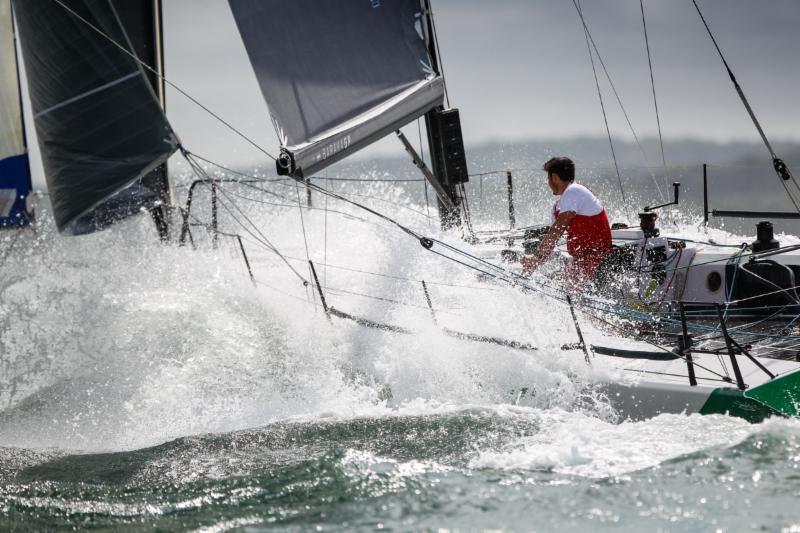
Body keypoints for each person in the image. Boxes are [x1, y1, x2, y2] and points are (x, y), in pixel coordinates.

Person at [520, 156, 612, 286]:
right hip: (580, 260)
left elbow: (557, 231)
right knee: (549, 285)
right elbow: (552, 238)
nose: (548, 183)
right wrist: (536, 262)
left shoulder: (574, 191)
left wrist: (537, 258)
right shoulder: (558, 206)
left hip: (597, 258)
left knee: (560, 289)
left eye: (548, 178)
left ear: (555, 178)